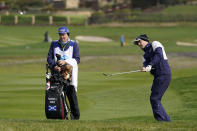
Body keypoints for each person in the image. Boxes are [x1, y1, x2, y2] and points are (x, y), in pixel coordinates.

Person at [133, 34, 171, 122]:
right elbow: (146, 65)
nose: (139, 44)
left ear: (145, 40)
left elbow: (158, 55)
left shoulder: (155, 44)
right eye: (137, 43)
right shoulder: (144, 56)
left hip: (164, 74)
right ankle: (166, 121)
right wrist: (145, 68)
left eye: (140, 41)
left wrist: (150, 65)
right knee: (155, 98)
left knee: (154, 98)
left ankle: (162, 121)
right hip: (158, 77)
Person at [47, 26, 80, 120]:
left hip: (69, 75)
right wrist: (54, 65)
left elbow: (77, 59)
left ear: (67, 34)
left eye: (64, 34)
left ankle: (75, 117)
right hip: (56, 74)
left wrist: (66, 62)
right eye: (60, 35)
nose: (62, 36)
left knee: (72, 96)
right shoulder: (54, 44)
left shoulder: (74, 44)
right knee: (59, 96)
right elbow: (49, 58)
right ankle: (62, 115)